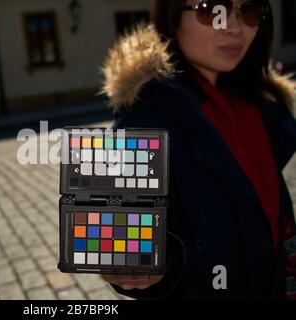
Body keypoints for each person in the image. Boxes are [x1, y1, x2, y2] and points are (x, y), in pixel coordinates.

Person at [100, 0, 296, 299]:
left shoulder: (259, 102)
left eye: (250, 10)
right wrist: (144, 266)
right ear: (172, 14)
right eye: (211, 9)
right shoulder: (148, 117)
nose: (234, 27)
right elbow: (121, 233)